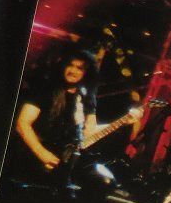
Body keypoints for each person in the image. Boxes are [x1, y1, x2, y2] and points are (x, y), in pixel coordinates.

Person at [12, 51, 143, 190]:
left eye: (79, 68)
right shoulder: (45, 90)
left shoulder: (86, 98)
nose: (73, 71)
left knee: (105, 184)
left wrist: (123, 121)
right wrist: (41, 153)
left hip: (64, 163)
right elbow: (22, 123)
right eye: (70, 65)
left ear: (86, 73)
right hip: (33, 158)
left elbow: (88, 133)